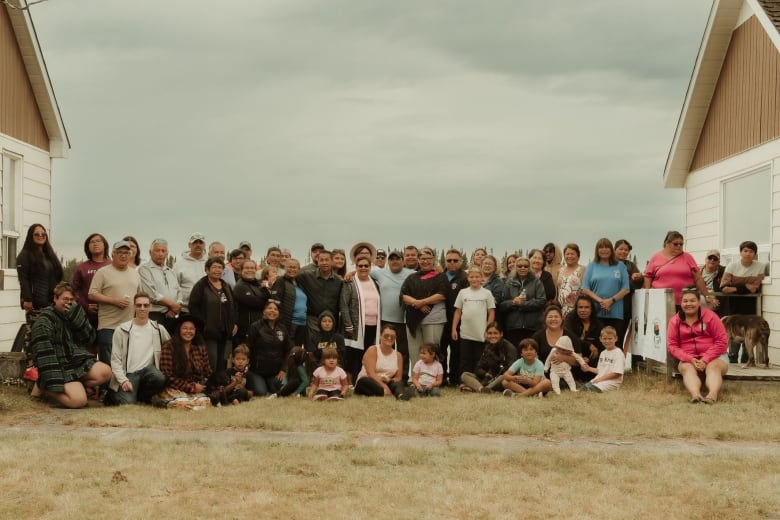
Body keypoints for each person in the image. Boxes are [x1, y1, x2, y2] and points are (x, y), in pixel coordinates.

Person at [29, 282, 112, 408]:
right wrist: (52, 381)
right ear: (55, 299)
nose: (68, 302)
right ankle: (43, 386)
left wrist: (77, 319)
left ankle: (74, 385)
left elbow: (90, 339)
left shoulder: (74, 312)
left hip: (75, 360)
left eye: (71, 299)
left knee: (106, 372)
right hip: (57, 365)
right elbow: (44, 355)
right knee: (78, 401)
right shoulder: (45, 320)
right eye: (64, 299)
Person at [666, 287, 729, 403]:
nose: (689, 304)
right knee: (687, 368)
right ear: (681, 303)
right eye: (685, 301)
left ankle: (712, 395)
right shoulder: (675, 321)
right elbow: (672, 346)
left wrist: (705, 359)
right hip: (689, 358)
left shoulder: (711, 316)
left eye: (692, 301)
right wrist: (689, 358)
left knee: (713, 368)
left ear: (699, 302)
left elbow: (722, 341)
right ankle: (696, 395)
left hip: (715, 357)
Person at [106, 292, 170, 405]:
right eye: (139, 305)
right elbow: (115, 361)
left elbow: (170, 348)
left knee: (159, 377)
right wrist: (123, 380)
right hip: (128, 374)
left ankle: (142, 397)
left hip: (148, 372)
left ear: (150, 307)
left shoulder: (159, 329)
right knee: (127, 403)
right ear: (133, 306)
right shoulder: (122, 330)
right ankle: (113, 394)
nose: (142, 308)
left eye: (145, 305)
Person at [88, 240, 141, 365]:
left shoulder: (135, 274)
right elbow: (92, 293)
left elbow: (140, 296)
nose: (123, 255)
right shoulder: (103, 272)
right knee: (108, 364)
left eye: (126, 252)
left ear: (130, 255)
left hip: (129, 326)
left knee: (127, 363)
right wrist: (114, 301)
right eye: (119, 252)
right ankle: (107, 385)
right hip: (108, 326)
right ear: (113, 254)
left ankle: (124, 385)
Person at [400, 247, 448, 381]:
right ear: (419, 260)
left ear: (433, 260)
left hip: (434, 319)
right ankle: (416, 379)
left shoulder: (440, 277)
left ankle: (433, 379)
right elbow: (403, 295)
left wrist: (422, 302)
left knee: (431, 351)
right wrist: (417, 303)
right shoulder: (412, 278)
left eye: (428, 258)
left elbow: (442, 295)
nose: (425, 261)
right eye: (422, 259)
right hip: (413, 320)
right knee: (415, 352)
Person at [370, 250, 415, 381]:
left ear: (403, 261)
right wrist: (350, 273)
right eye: (392, 259)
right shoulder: (379, 272)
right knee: (384, 350)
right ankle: (380, 376)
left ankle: (403, 378)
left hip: (403, 320)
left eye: (397, 259)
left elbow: (428, 274)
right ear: (388, 262)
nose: (394, 261)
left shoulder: (411, 273)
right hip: (385, 320)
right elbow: (362, 271)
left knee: (403, 352)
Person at [16, 224, 64, 347]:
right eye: (36, 234)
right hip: (35, 304)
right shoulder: (25, 255)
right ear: (31, 236)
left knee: (50, 336)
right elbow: (24, 279)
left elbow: (57, 277)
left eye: (43, 234)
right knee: (34, 336)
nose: (40, 236)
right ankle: (31, 364)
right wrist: (27, 299)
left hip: (52, 303)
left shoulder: (49, 255)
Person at [644, 231, 717, 309]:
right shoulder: (656, 257)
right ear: (667, 243)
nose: (679, 246)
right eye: (675, 244)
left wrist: (707, 295)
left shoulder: (688, 257)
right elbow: (648, 276)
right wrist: (648, 294)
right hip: (661, 301)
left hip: (685, 301)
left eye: (681, 244)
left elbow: (698, 278)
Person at [188, 257, 237, 372]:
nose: (217, 270)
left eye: (220, 267)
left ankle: (219, 387)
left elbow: (234, 306)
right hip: (209, 332)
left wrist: (234, 323)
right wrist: (202, 325)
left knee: (222, 361)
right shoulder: (201, 286)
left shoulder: (226, 286)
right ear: (207, 269)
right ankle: (208, 385)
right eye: (214, 267)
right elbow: (193, 306)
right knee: (212, 360)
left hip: (225, 331)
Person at [581, 238, 630, 345]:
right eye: (601, 247)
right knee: (597, 344)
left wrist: (611, 300)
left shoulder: (620, 266)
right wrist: (601, 301)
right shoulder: (591, 266)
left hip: (615, 312)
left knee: (615, 344)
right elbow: (585, 288)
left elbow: (626, 289)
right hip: (596, 311)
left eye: (607, 247)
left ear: (611, 249)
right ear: (597, 250)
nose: (604, 250)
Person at [340, 256, 381, 381]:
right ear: (355, 267)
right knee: (354, 354)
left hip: (373, 325)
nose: (363, 268)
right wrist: (348, 324)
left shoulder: (375, 282)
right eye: (360, 266)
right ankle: (351, 380)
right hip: (355, 326)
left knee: (367, 353)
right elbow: (344, 304)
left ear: (370, 267)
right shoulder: (350, 282)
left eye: (366, 266)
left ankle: (364, 379)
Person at [452, 267, 495, 378]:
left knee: (479, 358)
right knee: (465, 358)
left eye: (477, 277)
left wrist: (488, 330)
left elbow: (491, 312)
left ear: (481, 278)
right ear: (468, 278)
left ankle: (478, 380)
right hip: (466, 332)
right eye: (471, 277)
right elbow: (457, 312)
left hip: (481, 333)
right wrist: (454, 329)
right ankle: (464, 381)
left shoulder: (487, 293)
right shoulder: (463, 292)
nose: (474, 279)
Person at [247, 300, 292, 396]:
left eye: (275, 309)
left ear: (279, 313)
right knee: (261, 392)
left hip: (275, 372)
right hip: (257, 371)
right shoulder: (255, 327)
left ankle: (268, 384)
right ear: (264, 311)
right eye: (269, 308)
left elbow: (289, 350)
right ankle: (259, 383)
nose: (272, 311)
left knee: (280, 389)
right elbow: (247, 348)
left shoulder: (283, 328)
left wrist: (284, 369)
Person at [159, 314, 212, 395]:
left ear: (195, 331)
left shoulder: (200, 347)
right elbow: (167, 375)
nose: (188, 331)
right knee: (184, 404)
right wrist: (191, 387)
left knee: (207, 401)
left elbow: (207, 372)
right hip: (175, 388)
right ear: (179, 330)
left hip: (198, 387)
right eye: (185, 328)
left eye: (191, 329)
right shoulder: (169, 347)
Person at [499, 257, 546, 347]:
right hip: (514, 327)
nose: (523, 268)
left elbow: (542, 301)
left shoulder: (536, 282)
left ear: (529, 268)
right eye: (520, 266)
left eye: (525, 266)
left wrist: (523, 304)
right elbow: (502, 305)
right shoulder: (509, 283)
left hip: (533, 327)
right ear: (516, 268)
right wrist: (513, 302)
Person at [296, 249, 343, 340]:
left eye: (327, 260)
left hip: (331, 321)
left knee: (329, 350)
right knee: (313, 348)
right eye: (321, 260)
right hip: (313, 320)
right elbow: (291, 276)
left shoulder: (339, 281)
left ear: (332, 261)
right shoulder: (307, 276)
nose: (324, 262)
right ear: (317, 261)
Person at [138, 238, 181, 335]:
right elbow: (151, 294)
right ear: (150, 252)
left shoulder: (171, 271)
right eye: (157, 250)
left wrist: (175, 308)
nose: (160, 254)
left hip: (172, 315)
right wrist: (172, 305)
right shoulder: (145, 270)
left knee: (171, 348)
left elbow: (179, 291)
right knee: (156, 347)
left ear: (167, 253)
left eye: (163, 251)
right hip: (155, 315)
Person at [459, 322, 517, 393]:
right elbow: (478, 368)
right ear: (486, 334)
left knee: (503, 377)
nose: (492, 336)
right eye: (490, 333)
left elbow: (511, 370)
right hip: (488, 378)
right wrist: (486, 374)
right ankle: (483, 389)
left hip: (501, 379)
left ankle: (480, 388)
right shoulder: (487, 347)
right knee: (465, 375)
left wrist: (495, 374)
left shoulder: (510, 348)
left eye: (495, 333)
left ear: (501, 334)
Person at [439, 248, 469, 386]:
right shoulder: (440, 276)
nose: (452, 263)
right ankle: (442, 377)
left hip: (458, 320)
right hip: (440, 319)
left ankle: (455, 379)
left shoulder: (465, 278)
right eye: (449, 260)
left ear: (461, 261)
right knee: (441, 350)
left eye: (455, 260)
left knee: (456, 351)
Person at [72, 233, 111, 331]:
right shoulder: (82, 267)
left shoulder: (112, 265)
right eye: (92, 242)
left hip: (110, 315)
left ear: (104, 245)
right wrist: (85, 306)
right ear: (87, 247)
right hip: (88, 316)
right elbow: (75, 291)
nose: (95, 243)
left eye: (98, 241)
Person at [354, 324, 404, 397]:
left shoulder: (398, 355)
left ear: (395, 338)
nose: (389, 338)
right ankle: (385, 392)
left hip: (387, 381)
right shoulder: (373, 350)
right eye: (386, 335)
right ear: (380, 336)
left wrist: (389, 380)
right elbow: (370, 373)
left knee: (399, 383)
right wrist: (385, 386)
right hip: (370, 380)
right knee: (364, 381)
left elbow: (398, 377)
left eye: (392, 336)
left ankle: (400, 395)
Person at [531, 304, 582, 370]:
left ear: (562, 318)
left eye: (556, 317)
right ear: (545, 319)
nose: (553, 319)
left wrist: (564, 358)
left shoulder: (571, 336)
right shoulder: (537, 336)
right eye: (550, 317)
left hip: (567, 374)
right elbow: (531, 358)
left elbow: (579, 361)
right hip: (543, 374)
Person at [271, 258, 308, 346]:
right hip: (289, 323)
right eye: (289, 267)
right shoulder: (281, 281)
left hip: (302, 323)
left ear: (299, 270)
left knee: (297, 350)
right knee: (288, 349)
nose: (292, 269)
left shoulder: (300, 283)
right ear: (285, 268)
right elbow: (275, 301)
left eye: (295, 267)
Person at [233, 259, 269, 346]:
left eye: (252, 268)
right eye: (247, 268)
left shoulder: (258, 283)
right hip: (245, 329)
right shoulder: (240, 286)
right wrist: (266, 298)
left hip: (259, 327)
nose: (250, 270)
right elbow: (257, 303)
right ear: (241, 270)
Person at [580, 326, 625, 393]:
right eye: (604, 338)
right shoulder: (603, 353)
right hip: (600, 380)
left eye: (610, 339)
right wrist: (589, 368)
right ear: (600, 339)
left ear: (616, 339)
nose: (607, 341)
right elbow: (600, 371)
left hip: (611, 382)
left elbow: (617, 373)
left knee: (589, 390)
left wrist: (600, 379)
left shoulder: (618, 353)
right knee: (582, 389)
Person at [563, 295, 603, 365]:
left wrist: (590, 359)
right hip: (572, 356)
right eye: (580, 307)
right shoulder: (570, 319)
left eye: (586, 307)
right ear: (576, 309)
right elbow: (569, 337)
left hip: (591, 360)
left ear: (591, 309)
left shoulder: (598, 324)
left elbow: (602, 346)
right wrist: (589, 345)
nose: (583, 310)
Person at [173, 232, 207, 312]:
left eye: (201, 242)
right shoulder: (179, 264)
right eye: (195, 242)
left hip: (206, 309)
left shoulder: (209, 263)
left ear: (204, 245)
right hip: (185, 309)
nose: (198, 245)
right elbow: (175, 287)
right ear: (189, 245)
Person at [556, 243, 584, 316]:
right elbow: (558, 291)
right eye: (567, 254)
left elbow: (586, 291)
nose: (569, 256)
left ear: (578, 255)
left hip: (576, 310)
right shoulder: (560, 270)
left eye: (572, 254)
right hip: (560, 310)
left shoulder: (582, 269)